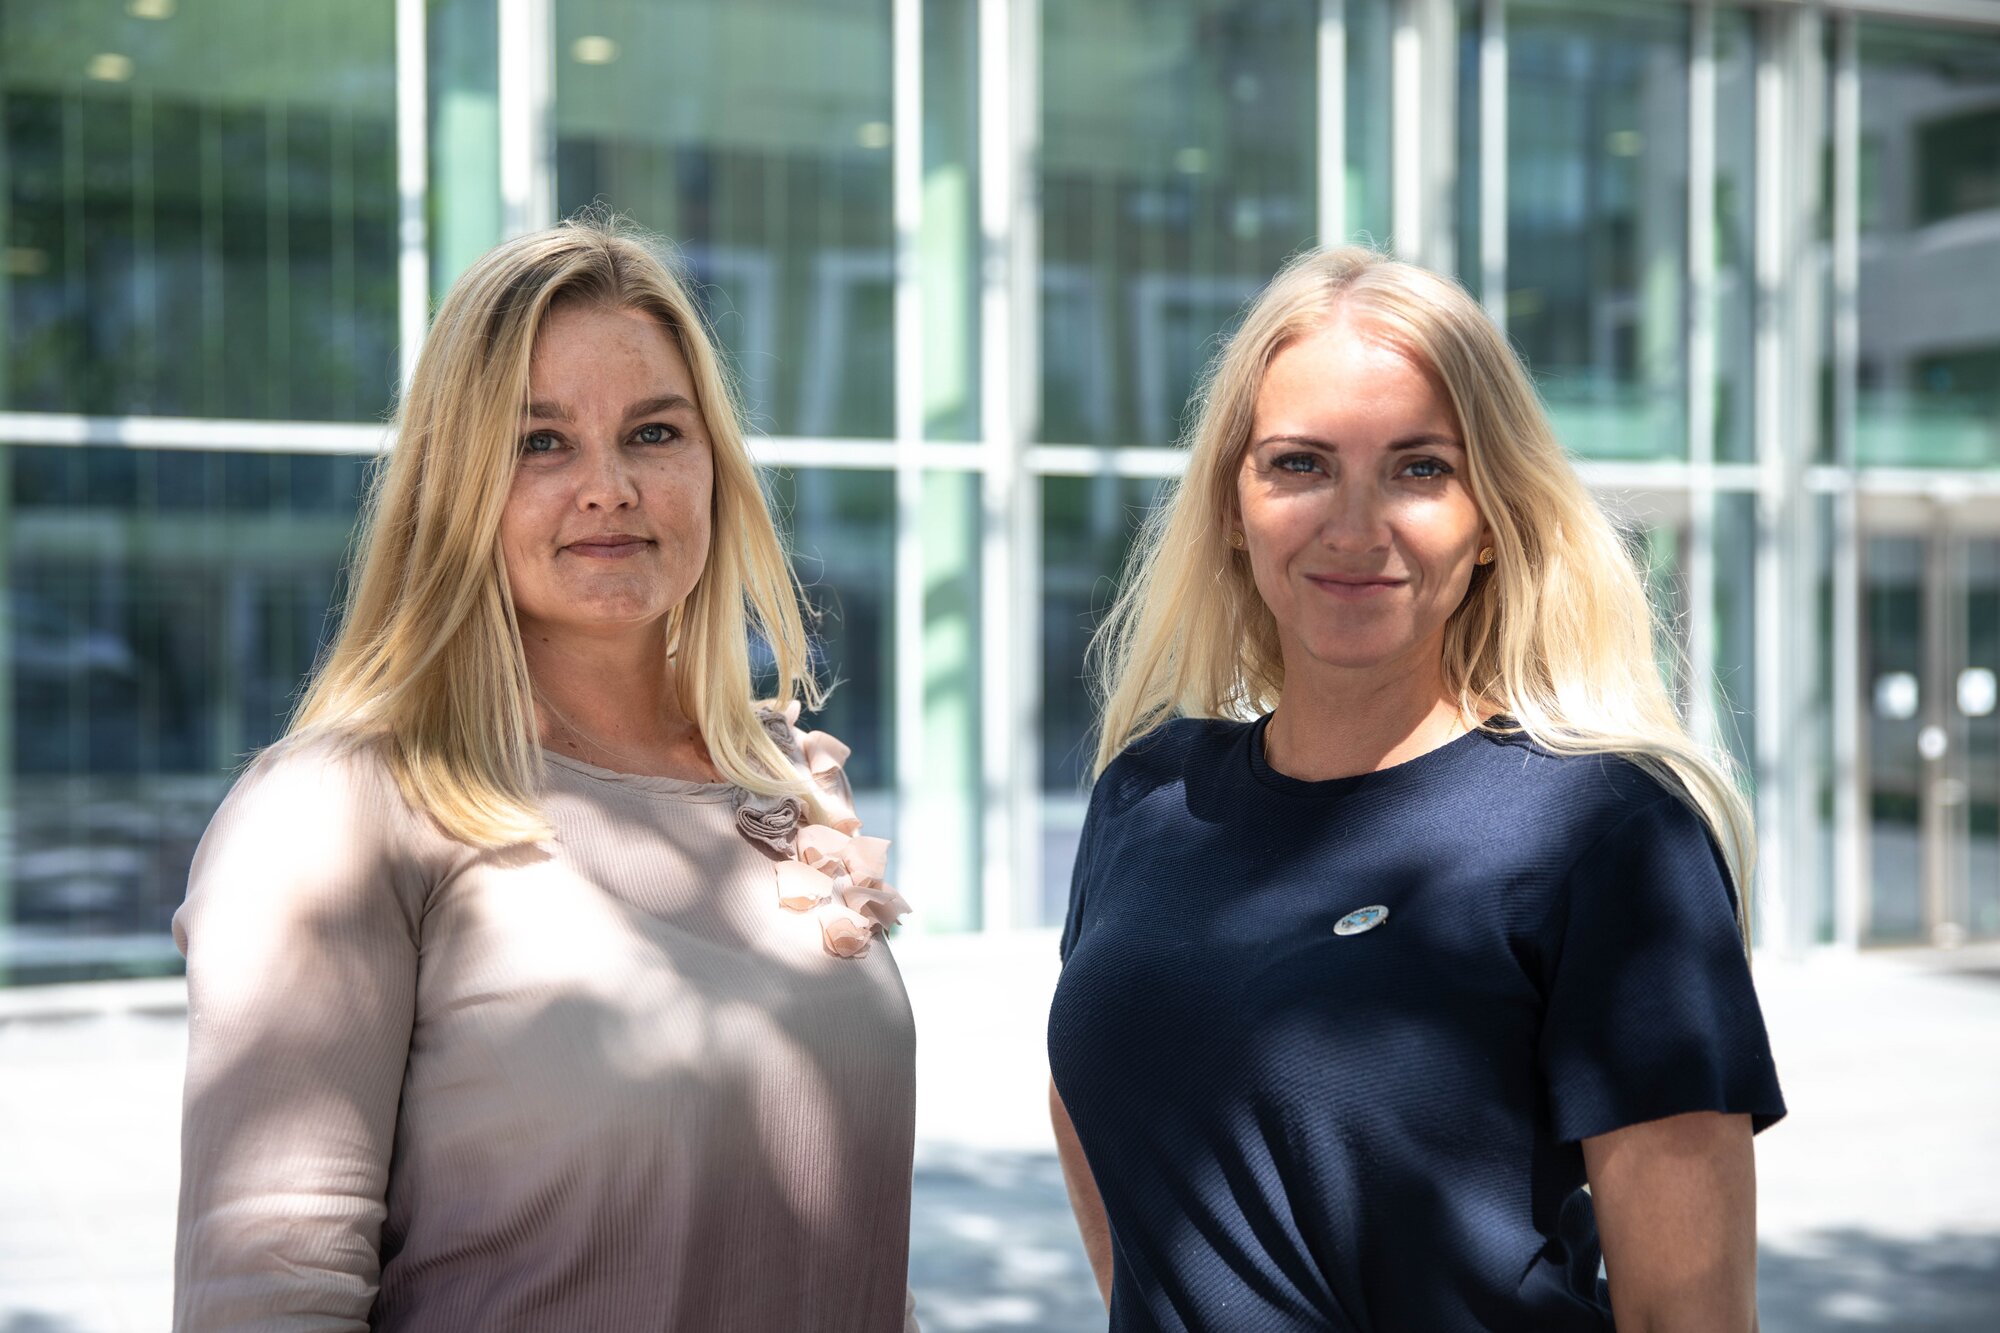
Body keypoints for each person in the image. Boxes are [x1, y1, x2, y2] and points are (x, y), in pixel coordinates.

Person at [172, 218, 917, 1332]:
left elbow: (842, 1244)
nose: (609, 486)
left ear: (712, 464)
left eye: (653, 432)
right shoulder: (341, 811)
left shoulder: (783, 780)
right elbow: (268, 1300)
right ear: (454, 482)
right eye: (540, 442)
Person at [1047, 246, 1786, 1332]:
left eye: (1419, 469)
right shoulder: (1146, 798)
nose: (1355, 528)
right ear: (1230, 507)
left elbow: (1689, 1318)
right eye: (1300, 464)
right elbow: (1091, 1102)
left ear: (1492, 517)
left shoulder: (1609, 831)